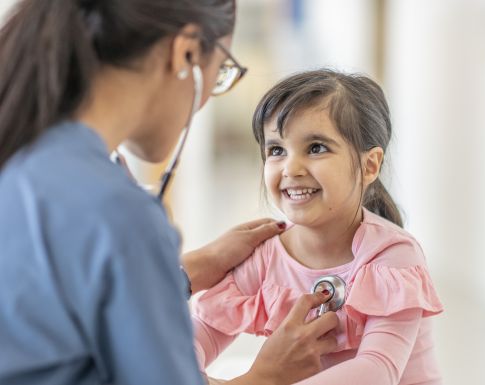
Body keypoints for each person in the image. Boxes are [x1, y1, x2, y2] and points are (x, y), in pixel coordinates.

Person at [0, 1, 340, 385]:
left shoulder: (26, 162)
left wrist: (182, 272)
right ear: (188, 52)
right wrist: (266, 377)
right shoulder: (117, 209)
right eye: (223, 70)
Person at [192, 69, 444, 384]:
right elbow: (189, 342)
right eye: (276, 150)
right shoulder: (265, 255)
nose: (291, 168)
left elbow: (376, 372)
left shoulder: (393, 256)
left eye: (316, 148)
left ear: (369, 165)